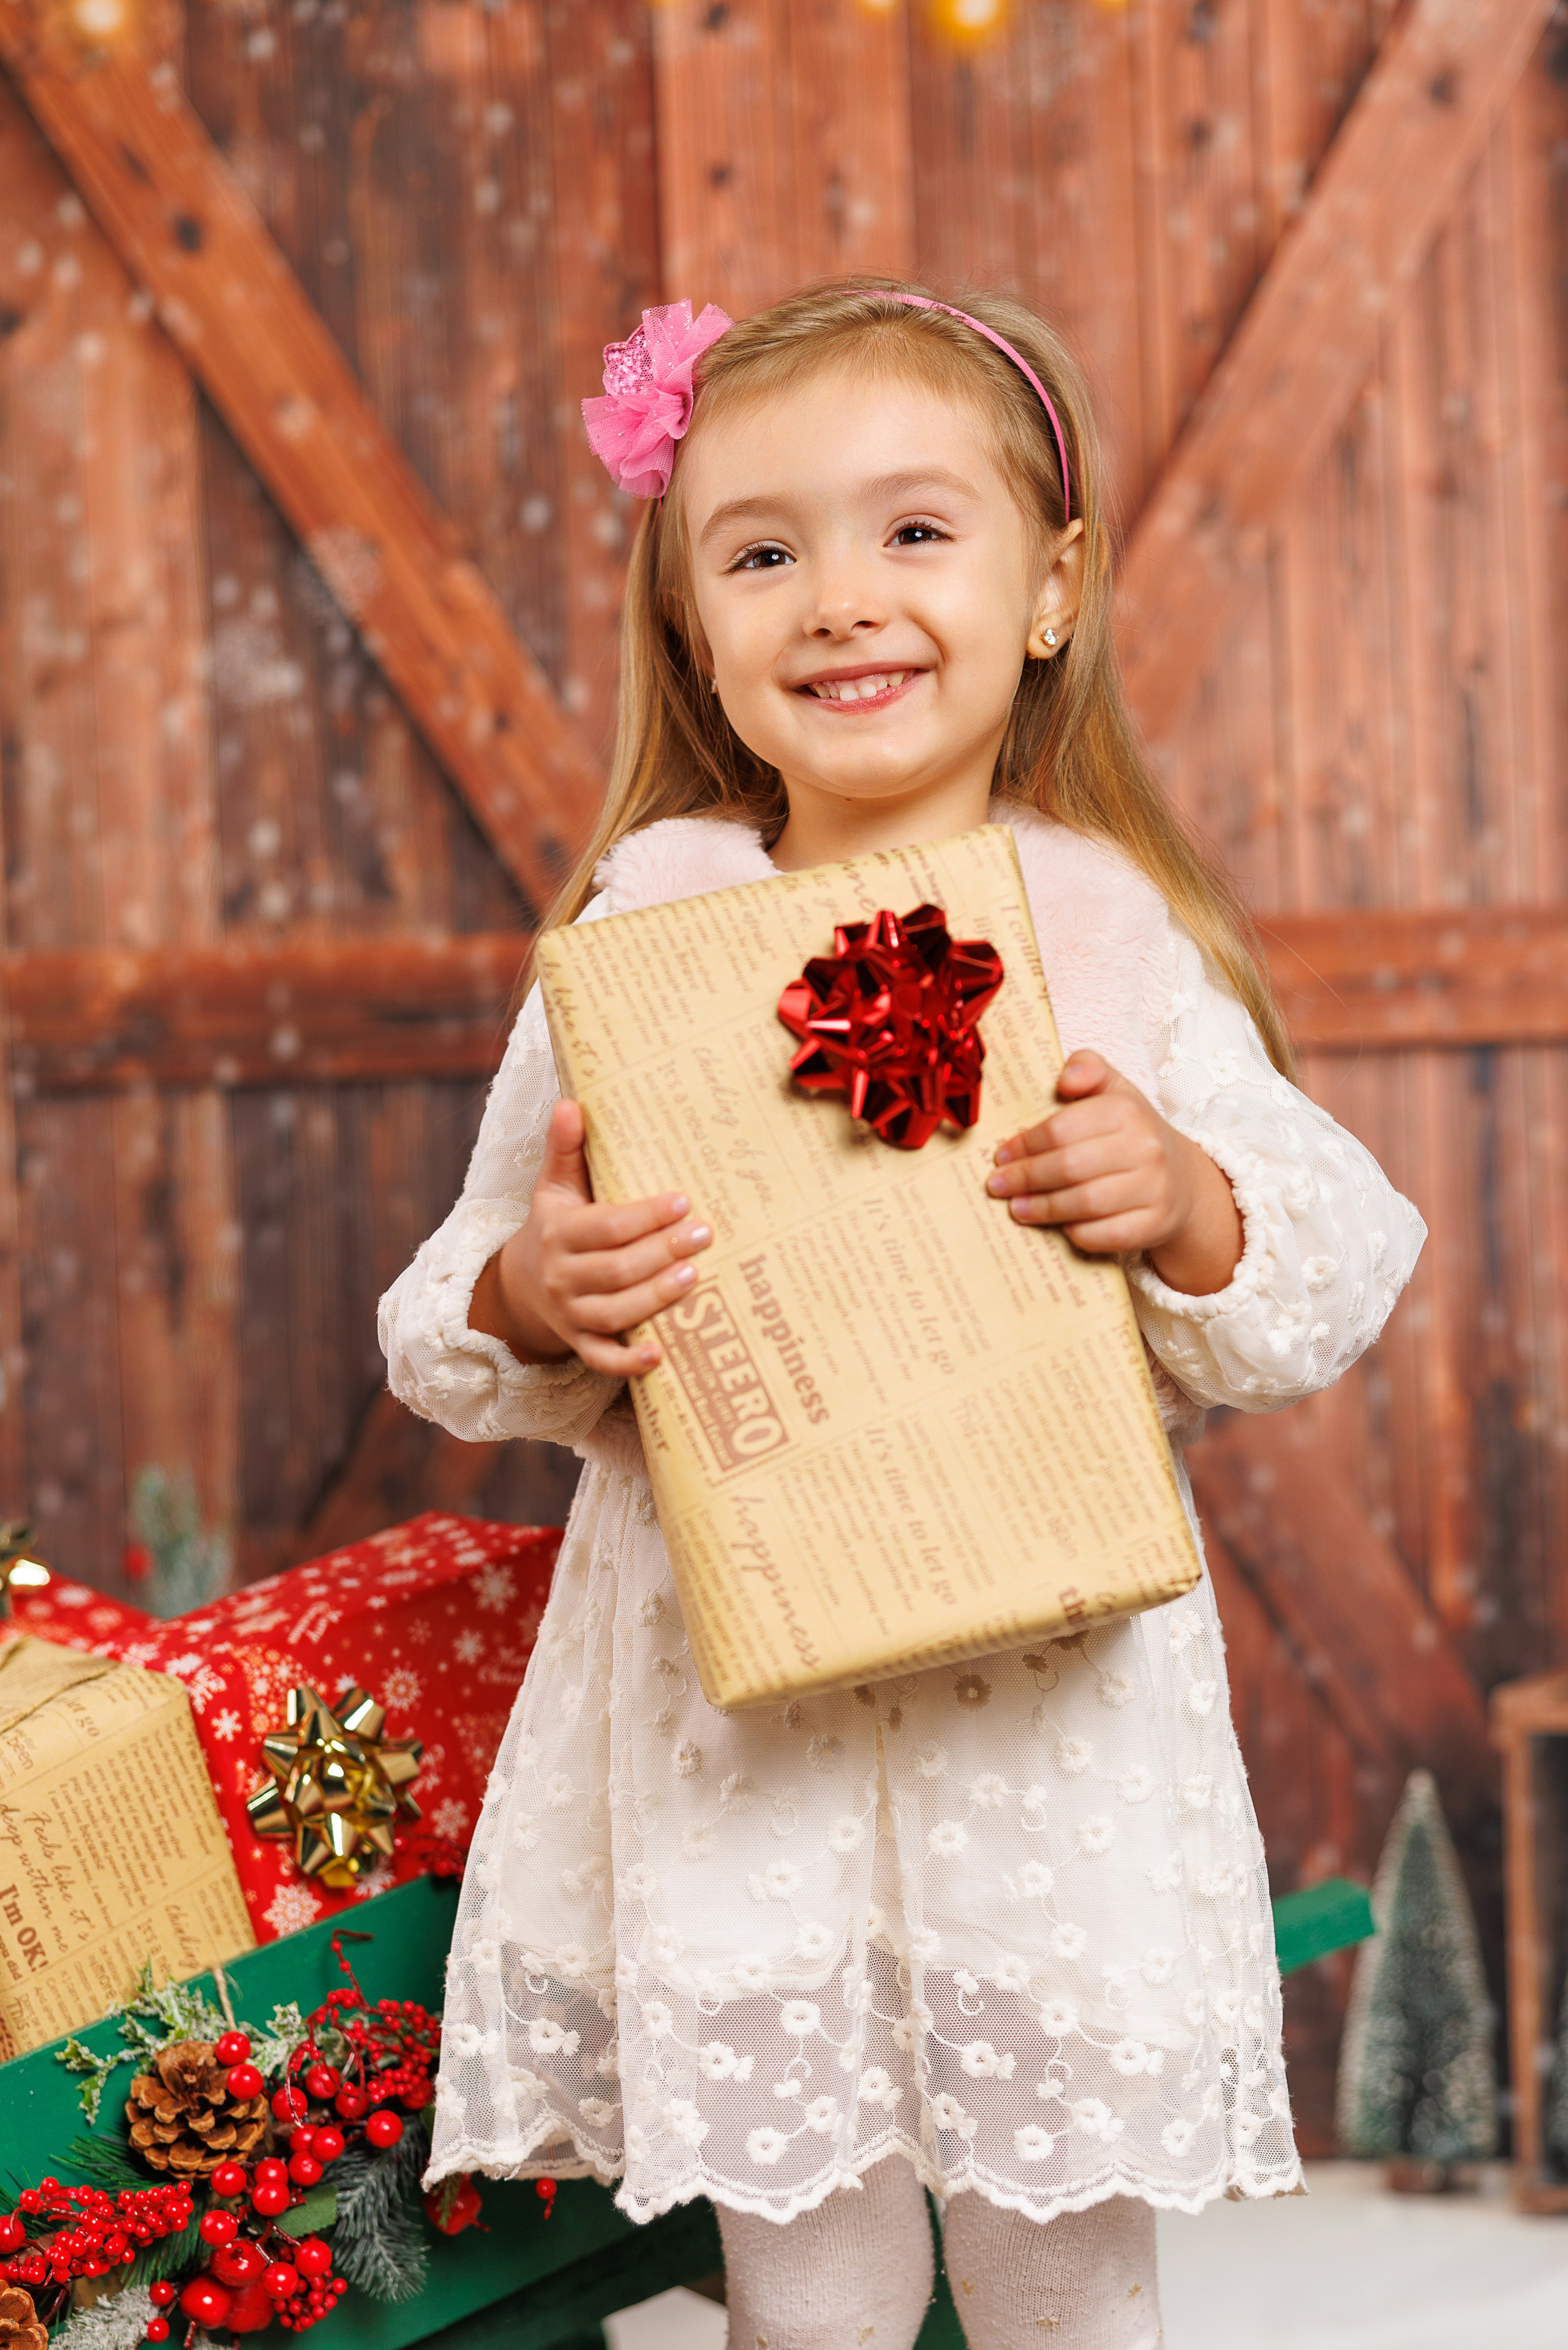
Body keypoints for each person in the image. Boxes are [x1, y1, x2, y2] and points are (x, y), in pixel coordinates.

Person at [380, 281, 1425, 2350]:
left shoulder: (1098, 926)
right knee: (813, 2283)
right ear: (695, 628)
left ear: (1052, 587)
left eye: (915, 532)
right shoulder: (655, 923)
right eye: (763, 550)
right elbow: (445, 1305)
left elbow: (1336, 1251)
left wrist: (1186, 1205)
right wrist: (539, 1286)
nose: (839, 598)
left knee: (1064, 2283)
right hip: (737, 1722)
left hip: (1044, 1729)